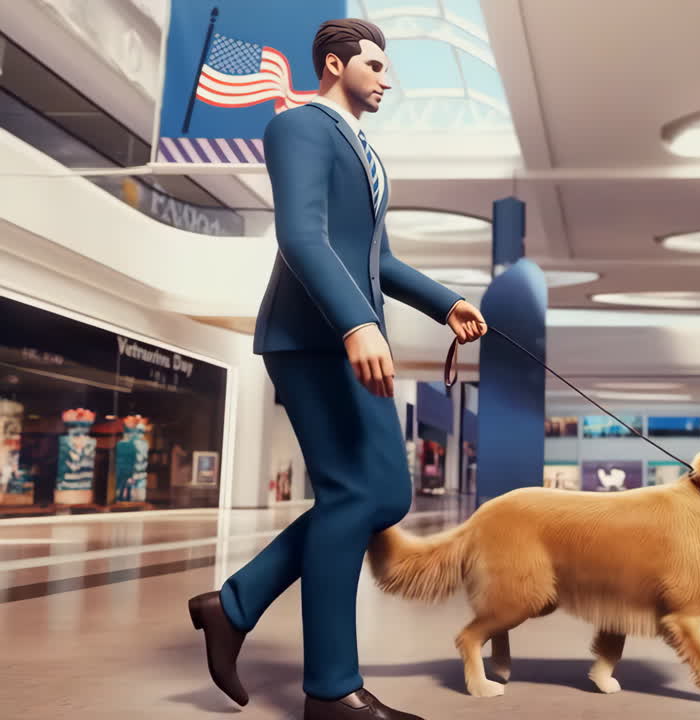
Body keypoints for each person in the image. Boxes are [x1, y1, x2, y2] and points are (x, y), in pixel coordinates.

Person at [186, 18, 486, 720]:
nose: (387, 80)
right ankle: (329, 690)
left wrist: (446, 303)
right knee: (356, 494)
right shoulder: (298, 127)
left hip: (348, 333)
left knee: (381, 496)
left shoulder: (362, 149)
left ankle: (233, 605)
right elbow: (301, 237)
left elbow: (377, 259)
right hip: (312, 337)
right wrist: (355, 322)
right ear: (333, 64)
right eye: (375, 66)